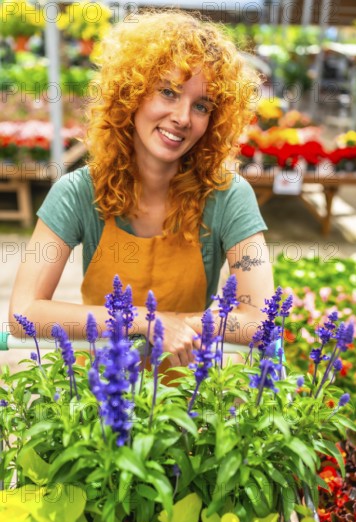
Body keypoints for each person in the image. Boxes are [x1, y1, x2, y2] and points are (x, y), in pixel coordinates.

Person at [9, 9, 274, 368]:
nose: (182, 117)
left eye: (201, 105)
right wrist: (143, 321)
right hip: (99, 399)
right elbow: (23, 312)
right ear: (131, 95)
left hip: (184, 405)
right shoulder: (77, 193)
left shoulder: (228, 196)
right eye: (168, 92)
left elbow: (261, 320)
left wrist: (184, 325)